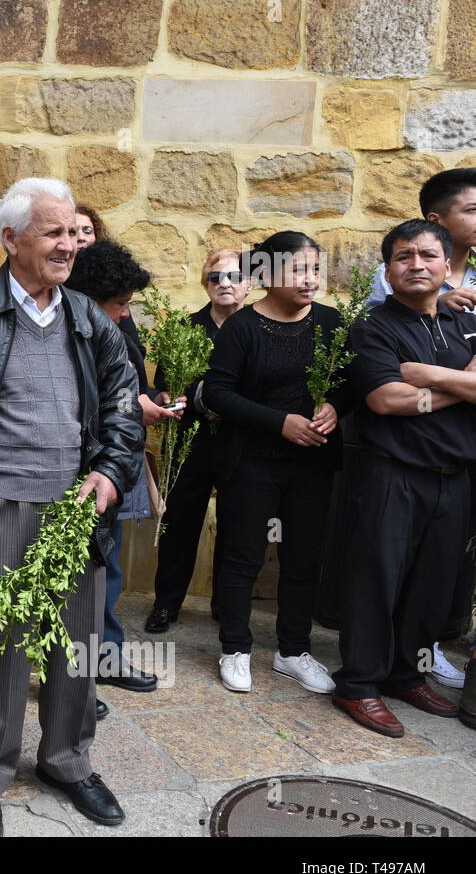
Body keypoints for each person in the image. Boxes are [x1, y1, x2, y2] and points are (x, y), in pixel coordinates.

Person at [0, 177, 144, 836]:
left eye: (73, 232)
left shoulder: (88, 317)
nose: (69, 245)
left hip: (76, 507)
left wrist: (111, 473)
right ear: (10, 239)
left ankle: (68, 760)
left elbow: (124, 410)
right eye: (53, 232)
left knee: (79, 642)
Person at [332, 220, 476, 737]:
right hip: (391, 473)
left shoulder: (466, 323)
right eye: (403, 257)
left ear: (445, 263)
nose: (417, 265)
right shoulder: (372, 328)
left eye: (428, 256)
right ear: (388, 270)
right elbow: (385, 400)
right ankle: (360, 685)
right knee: (377, 581)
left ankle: (406, 675)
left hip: (454, 477)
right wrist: (464, 385)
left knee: (433, 584)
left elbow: (413, 389)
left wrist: (430, 376)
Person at [203, 231, 352, 696]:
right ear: (266, 274)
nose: (310, 280)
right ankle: (236, 648)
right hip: (252, 462)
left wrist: (335, 406)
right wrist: (279, 422)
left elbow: (350, 377)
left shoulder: (331, 322)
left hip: (311, 462)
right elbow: (219, 394)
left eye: (315, 269)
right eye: (298, 270)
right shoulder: (243, 327)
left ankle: (292, 651)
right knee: (243, 556)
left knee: (303, 558)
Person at [65, 240, 168, 697]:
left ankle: (102, 659)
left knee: (106, 569)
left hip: (114, 467)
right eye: (120, 304)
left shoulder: (117, 333)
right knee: (67, 581)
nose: (126, 314)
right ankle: (65, 679)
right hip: (69, 472)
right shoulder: (59, 336)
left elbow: (127, 397)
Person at [144, 248, 251, 633]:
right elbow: (165, 384)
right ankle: (166, 605)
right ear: (205, 285)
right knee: (180, 527)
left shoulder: (259, 328)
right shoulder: (183, 328)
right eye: (215, 277)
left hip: (242, 443)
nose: (225, 284)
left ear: (250, 284)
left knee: (236, 526)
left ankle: (226, 605)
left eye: (234, 277)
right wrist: (183, 399)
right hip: (193, 442)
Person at [365, 168, 476, 311]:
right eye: (472, 210)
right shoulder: (394, 274)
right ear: (435, 220)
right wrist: (434, 308)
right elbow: (374, 328)